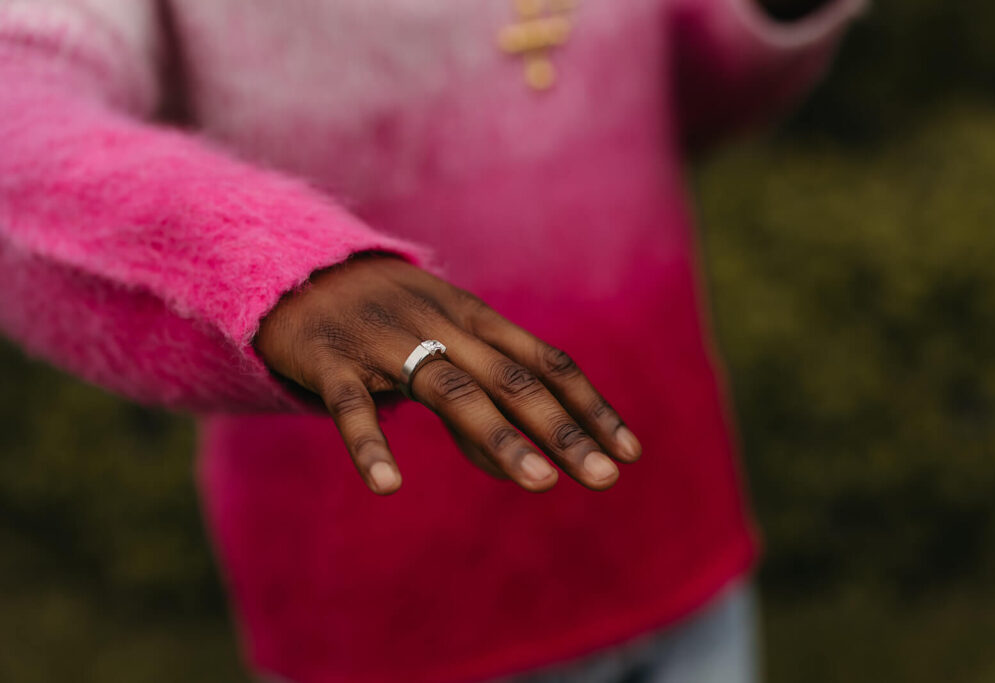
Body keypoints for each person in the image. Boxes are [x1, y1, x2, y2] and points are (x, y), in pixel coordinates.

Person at [0, 0, 865, 681]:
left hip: (673, 538)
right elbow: (19, 108)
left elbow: (668, 90)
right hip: (388, 606)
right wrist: (273, 263)